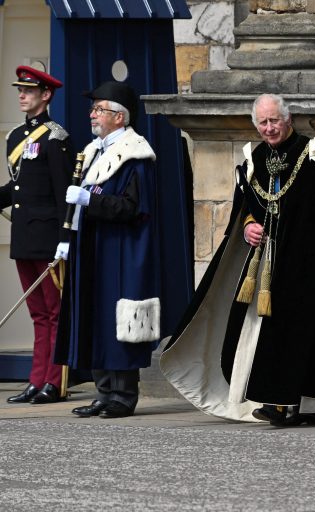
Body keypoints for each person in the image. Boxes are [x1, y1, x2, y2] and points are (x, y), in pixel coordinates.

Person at [161, 94, 315, 425]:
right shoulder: (255, 158)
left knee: (300, 334)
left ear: (288, 121)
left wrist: (309, 249)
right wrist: (248, 228)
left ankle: (290, 404)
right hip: (266, 265)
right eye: (263, 122)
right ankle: (274, 399)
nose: (269, 128)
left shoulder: (314, 155)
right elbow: (245, 208)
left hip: (309, 263)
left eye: (274, 120)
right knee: (265, 330)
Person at [54, 81, 161, 419]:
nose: (92, 115)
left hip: (119, 249)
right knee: (95, 317)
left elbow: (132, 207)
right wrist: (67, 239)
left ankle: (123, 395)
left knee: (118, 320)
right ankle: (103, 391)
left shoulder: (135, 154)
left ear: (119, 116)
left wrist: (91, 200)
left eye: (99, 109)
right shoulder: (92, 151)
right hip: (92, 247)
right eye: (94, 109)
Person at [2, 66, 73, 404]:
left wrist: (65, 238)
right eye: (20, 90)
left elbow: (63, 193)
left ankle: (54, 382)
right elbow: (17, 187)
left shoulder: (56, 137)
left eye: (29, 91)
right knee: (37, 314)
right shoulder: (14, 137)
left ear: (46, 95)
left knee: (54, 312)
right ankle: (36, 380)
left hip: (48, 238)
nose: (22, 95)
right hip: (24, 238)